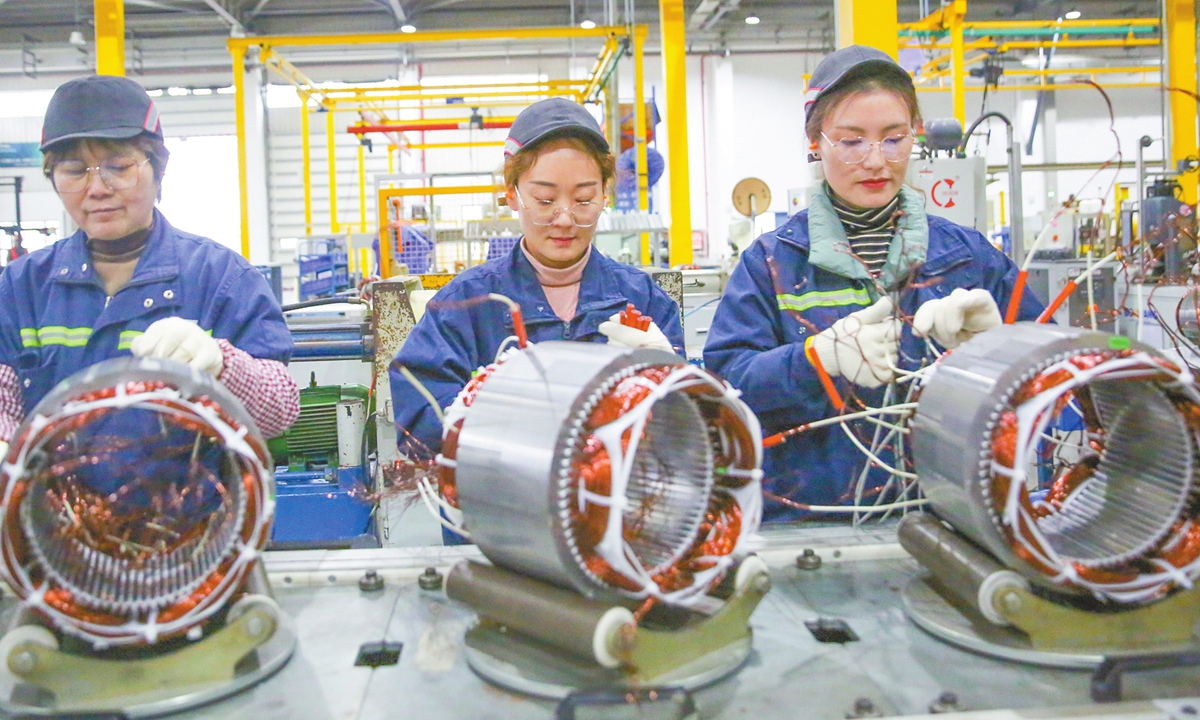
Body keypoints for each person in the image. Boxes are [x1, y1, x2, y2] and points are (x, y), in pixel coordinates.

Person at [703, 45, 1045, 521]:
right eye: (850, 141)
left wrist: (1006, 350)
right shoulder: (773, 263)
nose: (875, 160)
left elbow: (1060, 382)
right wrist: (813, 360)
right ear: (815, 141)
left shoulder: (967, 257)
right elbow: (723, 393)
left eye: (893, 138)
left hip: (951, 522)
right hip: (811, 527)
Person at [0, 75, 299, 456]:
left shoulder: (221, 278)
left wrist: (222, 365)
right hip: (53, 513)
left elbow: (281, 412)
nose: (97, 189)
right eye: (75, 171)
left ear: (159, 168)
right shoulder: (22, 286)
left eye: (119, 166)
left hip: (189, 514)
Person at [390, 97, 684, 455]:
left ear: (605, 195)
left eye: (584, 198)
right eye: (545, 200)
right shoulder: (467, 304)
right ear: (512, 195)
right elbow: (417, 416)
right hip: (502, 502)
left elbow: (683, 438)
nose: (564, 218)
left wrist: (669, 383)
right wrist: (472, 418)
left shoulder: (643, 300)